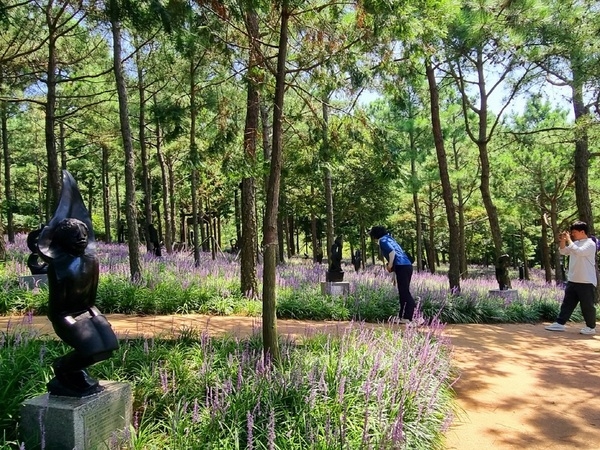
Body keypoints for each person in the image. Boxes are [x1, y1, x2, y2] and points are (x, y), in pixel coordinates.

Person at [545, 221, 597, 335]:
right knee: (567, 303)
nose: (572, 234)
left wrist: (569, 240)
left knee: (587, 305)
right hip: (573, 279)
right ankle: (560, 323)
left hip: (586, 281)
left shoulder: (590, 243)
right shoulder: (576, 243)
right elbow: (563, 251)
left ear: (582, 232)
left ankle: (591, 327)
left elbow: (580, 252)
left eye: (574, 232)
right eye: (571, 233)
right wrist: (563, 241)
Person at [369, 226, 416, 323]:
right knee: (403, 291)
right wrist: (394, 276)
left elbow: (392, 252)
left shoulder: (383, 241)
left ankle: (409, 317)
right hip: (406, 266)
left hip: (401, 266)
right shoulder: (390, 239)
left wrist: (389, 265)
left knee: (404, 292)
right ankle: (403, 317)